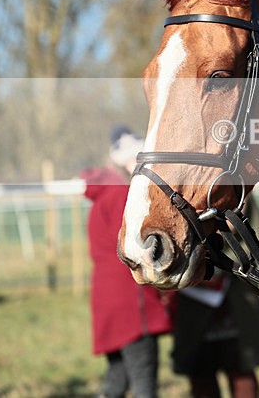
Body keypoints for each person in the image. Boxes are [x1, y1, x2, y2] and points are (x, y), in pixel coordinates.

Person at [82, 125, 173, 398]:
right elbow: (137, 250)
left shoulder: (103, 195)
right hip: (133, 303)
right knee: (144, 382)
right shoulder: (124, 195)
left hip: (108, 300)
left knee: (116, 380)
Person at [171, 197, 259, 398]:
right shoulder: (175, 192)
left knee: (242, 373)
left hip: (236, 294)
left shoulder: (238, 192)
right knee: (201, 375)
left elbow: (258, 240)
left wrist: (227, 266)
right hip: (193, 297)